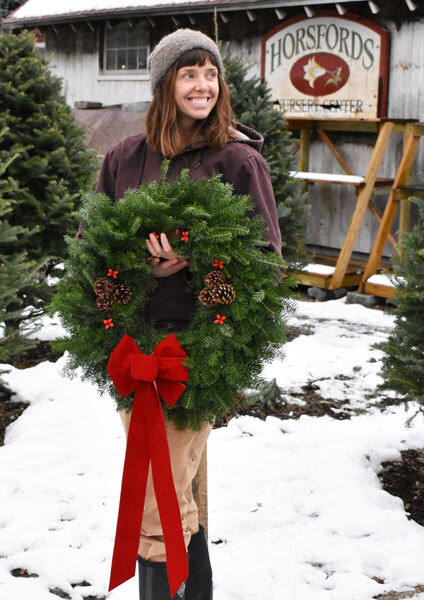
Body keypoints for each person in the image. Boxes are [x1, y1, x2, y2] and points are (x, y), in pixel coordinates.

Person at [95, 29, 282, 600]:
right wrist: (140, 269)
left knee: (157, 489)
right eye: (188, 73)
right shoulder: (124, 158)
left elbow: (265, 261)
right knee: (169, 487)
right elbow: (93, 246)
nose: (203, 85)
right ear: (163, 84)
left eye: (210, 74)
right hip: (134, 349)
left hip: (196, 349)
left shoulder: (237, 160)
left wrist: (197, 258)